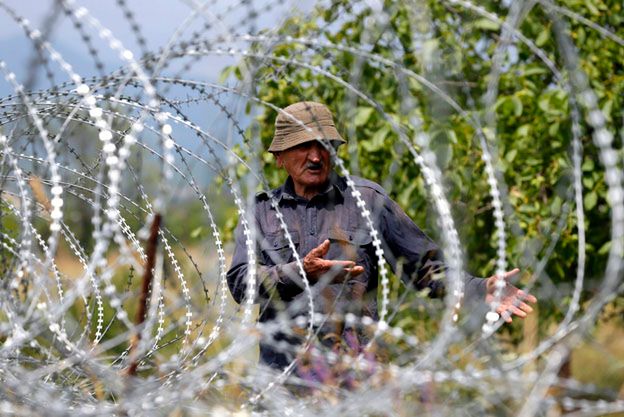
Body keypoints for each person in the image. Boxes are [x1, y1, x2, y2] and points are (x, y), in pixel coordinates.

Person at [226, 101, 537, 370]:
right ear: (280, 156)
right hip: (283, 376)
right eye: (303, 146)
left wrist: (477, 288)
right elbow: (240, 283)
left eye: (324, 145)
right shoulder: (260, 213)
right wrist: (299, 272)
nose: (316, 156)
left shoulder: (367, 201)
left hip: (353, 373)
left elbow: (425, 267)